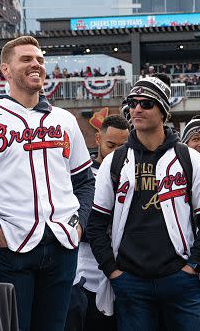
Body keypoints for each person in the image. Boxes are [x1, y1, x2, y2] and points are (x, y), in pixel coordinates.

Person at [0, 36, 95, 331]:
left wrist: (79, 223)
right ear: (5, 71)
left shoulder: (65, 119)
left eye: (40, 60)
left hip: (62, 241)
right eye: (26, 59)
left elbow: (84, 181)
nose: (36, 64)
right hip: (9, 242)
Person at [87, 73, 200, 331]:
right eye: (133, 102)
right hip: (131, 283)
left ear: (163, 112)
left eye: (146, 103)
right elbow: (96, 224)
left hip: (182, 281)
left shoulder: (190, 159)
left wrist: (194, 266)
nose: (137, 108)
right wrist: (113, 272)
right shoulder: (114, 162)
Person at [66, 114, 130, 331]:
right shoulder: (82, 177)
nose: (116, 152)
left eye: (123, 147)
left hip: (125, 271)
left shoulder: (134, 175)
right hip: (87, 272)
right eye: (111, 145)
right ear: (97, 139)